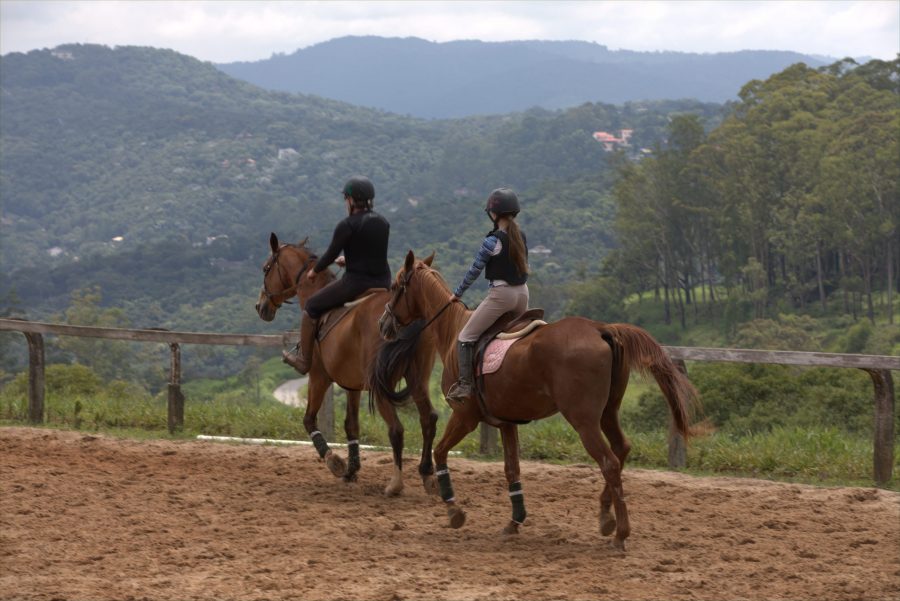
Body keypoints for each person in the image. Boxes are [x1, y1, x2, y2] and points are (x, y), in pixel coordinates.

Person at [283, 175, 391, 374]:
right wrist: (348, 260)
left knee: (311, 307)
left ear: (350, 200)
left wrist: (314, 271)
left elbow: (331, 253)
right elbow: (372, 253)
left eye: (346, 199)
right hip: (384, 282)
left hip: (356, 283)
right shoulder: (383, 223)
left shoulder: (347, 225)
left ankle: (304, 362)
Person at [445, 187, 529, 403]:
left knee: (465, 338)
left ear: (494, 214)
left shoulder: (492, 241)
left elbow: (474, 271)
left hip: (502, 296)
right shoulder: (522, 236)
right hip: (523, 295)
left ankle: (465, 385)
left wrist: (457, 294)